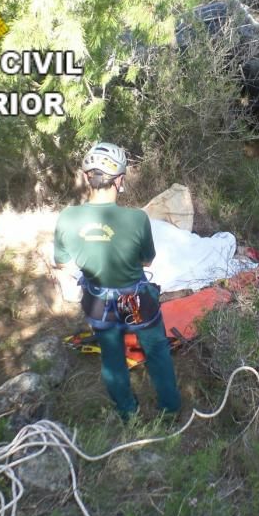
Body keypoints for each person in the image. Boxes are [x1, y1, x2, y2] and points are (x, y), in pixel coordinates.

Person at [53, 142, 181, 419]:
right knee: (156, 350)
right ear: (119, 180)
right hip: (132, 299)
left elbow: (61, 262)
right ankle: (169, 411)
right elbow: (147, 261)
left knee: (111, 356)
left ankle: (127, 412)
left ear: (87, 178)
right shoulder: (136, 219)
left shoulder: (67, 218)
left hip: (97, 299)